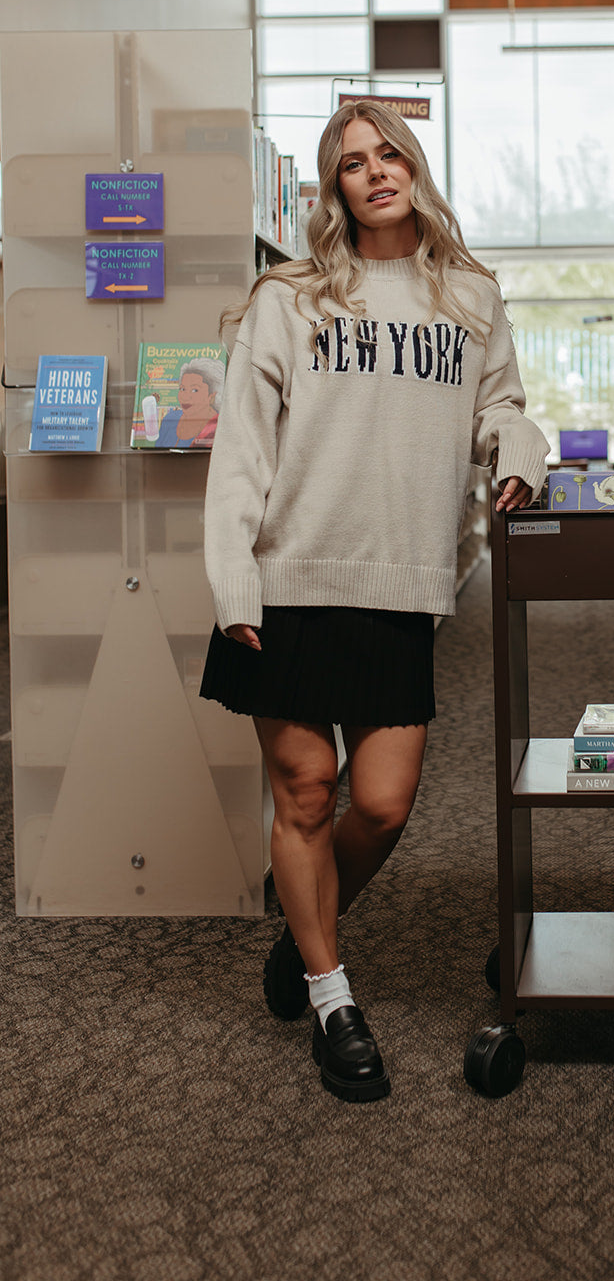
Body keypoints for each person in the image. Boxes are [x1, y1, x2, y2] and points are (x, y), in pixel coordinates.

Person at [198, 98, 548, 1104]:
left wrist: (514, 453)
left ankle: (300, 936)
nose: (376, 171)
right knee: (305, 793)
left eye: (390, 153)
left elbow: (502, 407)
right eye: (353, 162)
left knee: (383, 804)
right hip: (288, 579)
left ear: (415, 169)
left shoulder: (469, 296)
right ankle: (329, 992)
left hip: (399, 584)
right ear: (334, 188)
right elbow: (242, 457)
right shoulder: (290, 298)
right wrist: (232, 584)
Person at [157, 357, 224, 448]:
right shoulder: (170, 419)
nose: (185, 396)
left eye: (194, 390)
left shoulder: (219, 426)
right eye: (182, 389)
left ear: (212, 396)